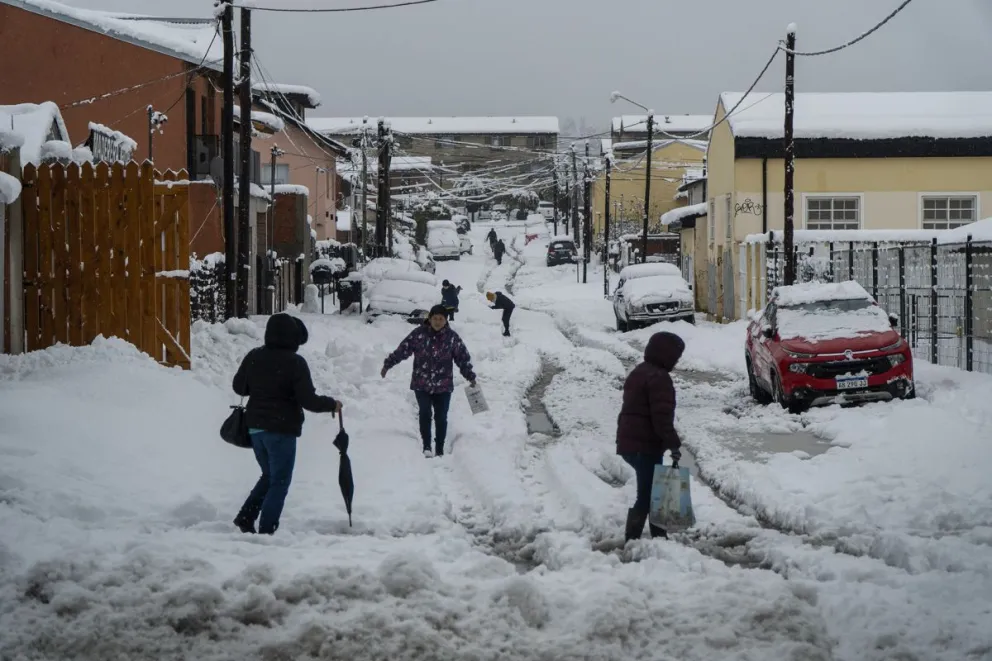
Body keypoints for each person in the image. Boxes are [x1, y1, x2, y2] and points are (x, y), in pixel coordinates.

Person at [232, 313, 342, 535]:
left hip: (255, 429)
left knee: (269, 475)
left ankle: (246, 517)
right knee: (279, 481)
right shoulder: (295, 362)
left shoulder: (254, 356)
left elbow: (239, 388)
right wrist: (332, 404)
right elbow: (307, 400)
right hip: (280, 430)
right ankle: (266, 530)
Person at [381, 304, 477, 458]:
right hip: (422, 383)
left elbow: (462, 359)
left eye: (441, 319)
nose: (437, 322)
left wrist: (470, 375)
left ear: (446, 320)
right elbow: (403, 350)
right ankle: (427, 446)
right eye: (435, 318)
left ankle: (439, 448)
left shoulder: (452, 338)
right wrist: (388, 364)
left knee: (441, 417)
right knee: (425, 413)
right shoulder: (419, 334)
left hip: (443, 385)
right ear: (430, 319)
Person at [615, 331, 684, 542]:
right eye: (676, 356)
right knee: (647, 496)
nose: (677, 361)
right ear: (667, 354)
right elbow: (661, 417)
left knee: (654, 492)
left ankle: (658, 536)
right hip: (644, 445)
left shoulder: (639, 372)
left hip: (630, 442)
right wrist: (673, 443)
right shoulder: (659, 378)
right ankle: (633, 540)